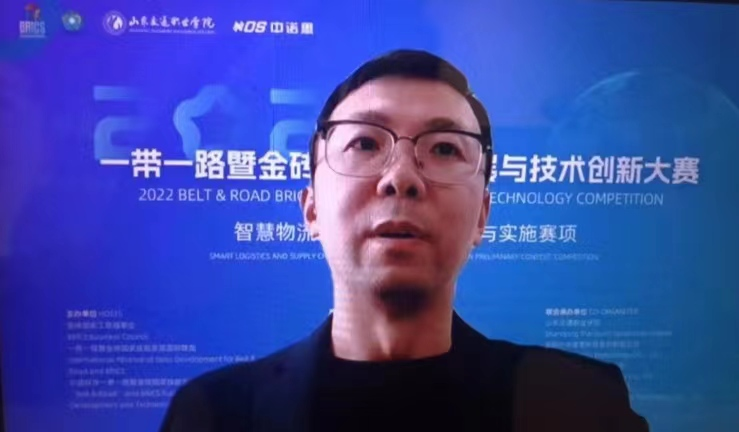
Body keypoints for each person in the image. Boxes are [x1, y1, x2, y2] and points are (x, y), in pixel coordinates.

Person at [159, 49, 649, 432]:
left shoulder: (579, 403)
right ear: (311, 209)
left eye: (444, 149)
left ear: (482, 216)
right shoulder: (215, 413)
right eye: (365, 143)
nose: (402, 178)